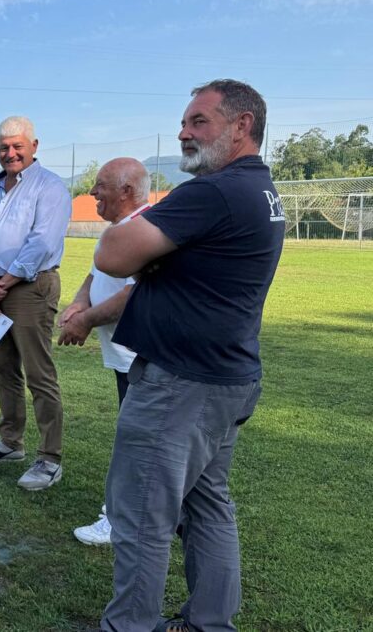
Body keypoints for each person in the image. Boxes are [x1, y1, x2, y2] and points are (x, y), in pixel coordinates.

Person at [95, 80, 284, 632]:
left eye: (199, 120)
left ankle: (128, 626)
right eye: (184, 121)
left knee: (141, 517)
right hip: (226, 376)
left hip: (182, 384)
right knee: (206, 505)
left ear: (242, 125)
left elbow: (112, 254)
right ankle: (208, 622)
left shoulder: (213, 191)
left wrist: (155, 250)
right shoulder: (259, 188)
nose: (184, 132)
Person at [0, 116, 73, 491]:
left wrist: (2, 283)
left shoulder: (51, 188)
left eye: (17, 146)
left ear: (34, 146)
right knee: (3, 369)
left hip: (29, 288)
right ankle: (10, 443)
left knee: (39, 375)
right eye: (3, 148)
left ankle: (49, 459)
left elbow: (41, 244)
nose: (10, 153)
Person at [56, 158, 152, 546]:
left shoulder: (143, 232)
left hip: (141, 359)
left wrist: (86, 321)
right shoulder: (119, 229)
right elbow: (97, 274)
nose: (92, 192)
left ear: (127, 191)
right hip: (125, 357)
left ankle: (119, 520)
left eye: (101, 185)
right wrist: (80, 302)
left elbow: (134, 294)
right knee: (138, 438)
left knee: (136, 441)